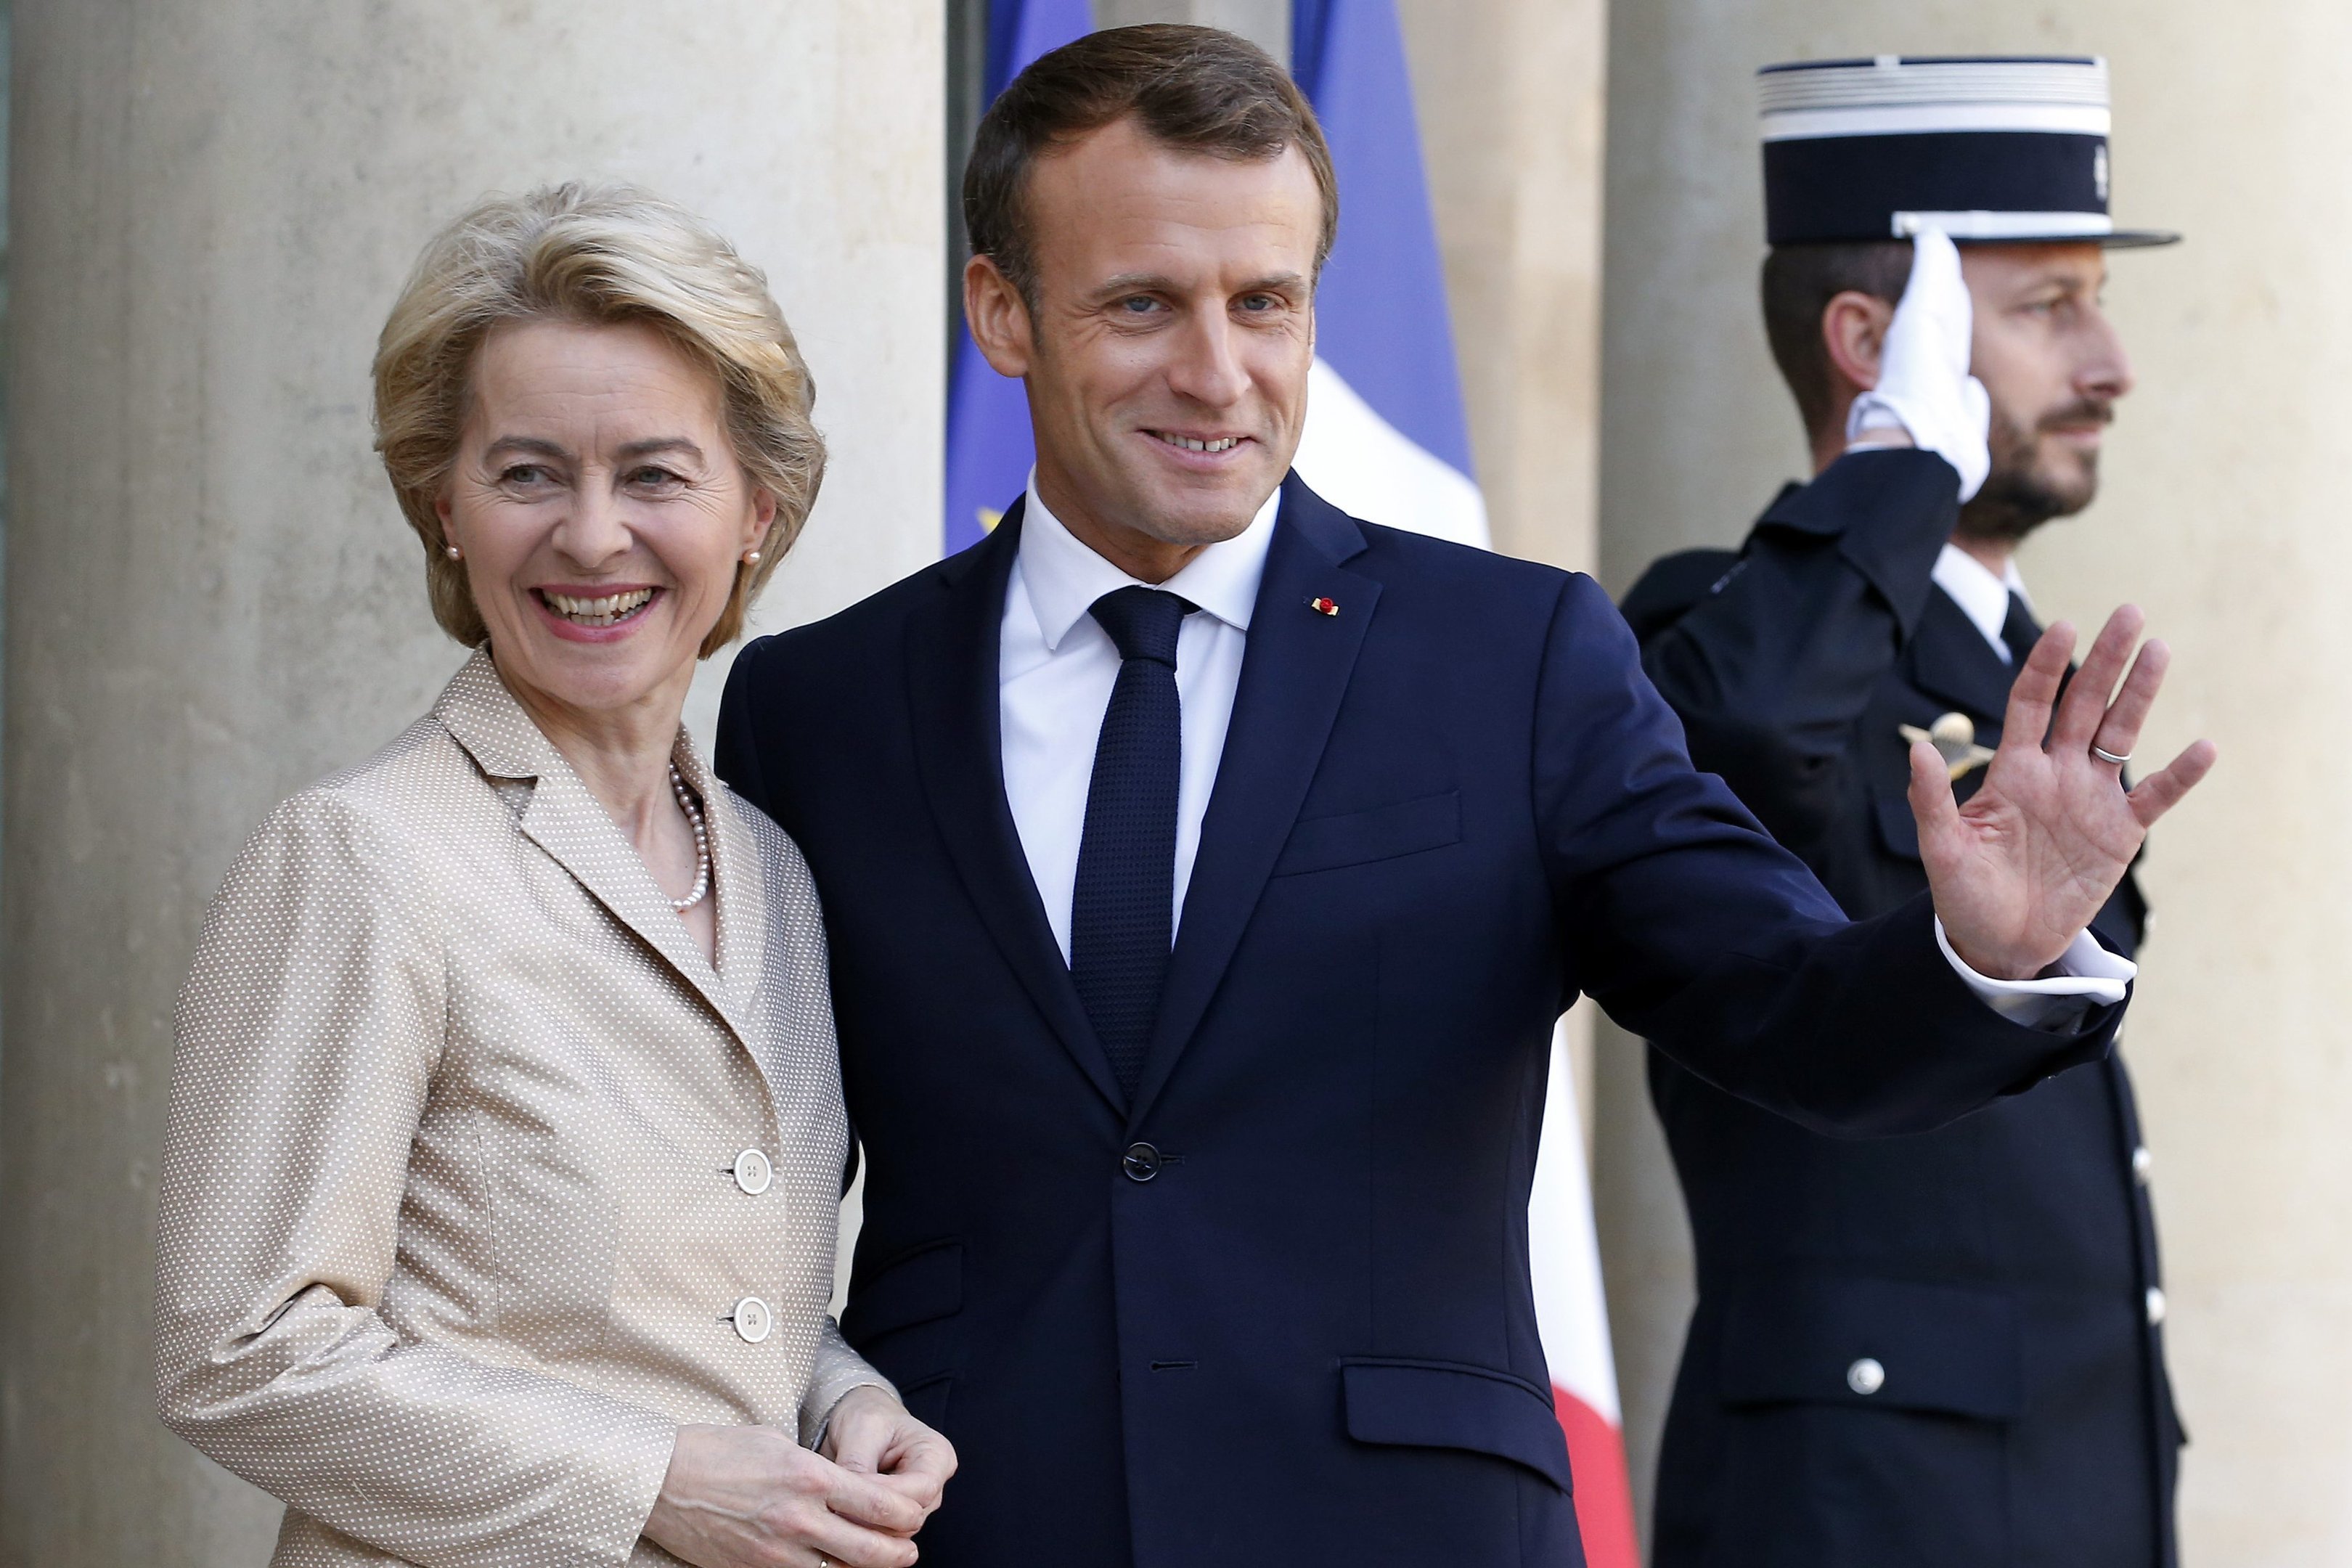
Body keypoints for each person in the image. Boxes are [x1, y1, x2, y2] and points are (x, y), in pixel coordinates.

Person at [717, 28, 2211, 1567]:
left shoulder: (1515, 657)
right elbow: (734, 1195)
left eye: (1266, 304)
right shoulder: (821, 708)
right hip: (974, 1528)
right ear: (1002, 313)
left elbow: (1776, 1001)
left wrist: (1983, 955)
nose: (1217, 372)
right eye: (1143, 304)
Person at [153, 183, 952, 1568]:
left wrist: (843, 1398)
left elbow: (692, 1299)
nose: (592, 537)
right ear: (444, 508)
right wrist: (653, 1485)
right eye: (529, 473)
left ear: (756, 509)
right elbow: (239, 1347)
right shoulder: (360, 854)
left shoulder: (768, 866)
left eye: (654, 473)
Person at [1622, 55, 2187, 1568]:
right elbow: (1739, 732)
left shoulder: (2014, 674)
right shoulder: (1717, 632)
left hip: (2066, 1500)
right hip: (1854, 1516)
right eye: (2044, 307)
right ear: (1875, 344)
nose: (2111, 360)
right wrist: (1900, 469)